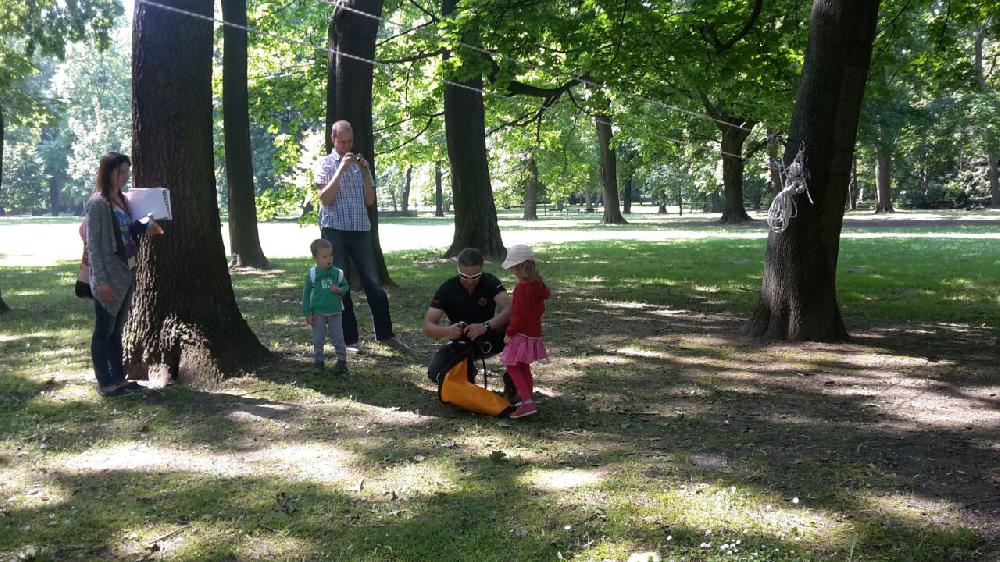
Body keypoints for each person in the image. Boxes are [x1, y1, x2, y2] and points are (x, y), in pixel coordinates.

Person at [313, 120, 405, 351]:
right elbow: (325, 198)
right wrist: (341, 169)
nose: (347, 146)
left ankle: (385, 334)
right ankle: (349, 339)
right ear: (333, 139)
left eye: (350, 141)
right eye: (342, 142)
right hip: (334, 229)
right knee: (340, 283)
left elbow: (370, 200)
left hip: (360, 229)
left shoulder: (359, 165)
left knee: (373, 282)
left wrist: (365, 172)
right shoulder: (325, 163)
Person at [85, 152, 162, 397]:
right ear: (108, 172)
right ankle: (105, 383)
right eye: (120, 172)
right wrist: (101, 282)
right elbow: (94, 246)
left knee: (116, 332)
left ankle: (119, 379)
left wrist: (144, 226)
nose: (124, 177)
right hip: (108, 277)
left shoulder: (121, 200)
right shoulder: (98, 203)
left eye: (127, 172)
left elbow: (124, 232)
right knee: (103, 332)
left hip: (126, 272)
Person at [423, 248, 513, 395]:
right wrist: (447, 331)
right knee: (435, 372)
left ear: (482, 270)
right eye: (464, 276)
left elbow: (510, 308)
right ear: (458, 269)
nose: (470, 281)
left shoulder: (490, 281)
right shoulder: (447, 289)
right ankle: (466, 376)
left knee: (519, 330)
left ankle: (513, 384)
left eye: (475, 276)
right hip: (462, 341)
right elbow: (428, 326)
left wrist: (485, 326)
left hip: (490, 335)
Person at [499, 245, 551, 419]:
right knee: (523, 366)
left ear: (520, 267)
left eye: (513, 267)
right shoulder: (538, 286)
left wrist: (509, 333)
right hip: (533, 333)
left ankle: (527, 402)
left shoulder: (522, 288)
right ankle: (527, 400)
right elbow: (540, 310)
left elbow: (518, 315)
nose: (512, 271)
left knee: (512, 365)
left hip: (520, 334)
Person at [302, 238, 351, 375]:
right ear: (316, 258)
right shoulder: (312, 274)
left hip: (335, 312)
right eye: (324, 256)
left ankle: (342, 362)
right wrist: (307, 313)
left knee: (338, 338)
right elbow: (306, 294)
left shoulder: (338, 273)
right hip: (318, 313)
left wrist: (340, 290)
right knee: (318, 339)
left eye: (331, 255)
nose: (329, 259)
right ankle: (318, 362)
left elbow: (346, 286)